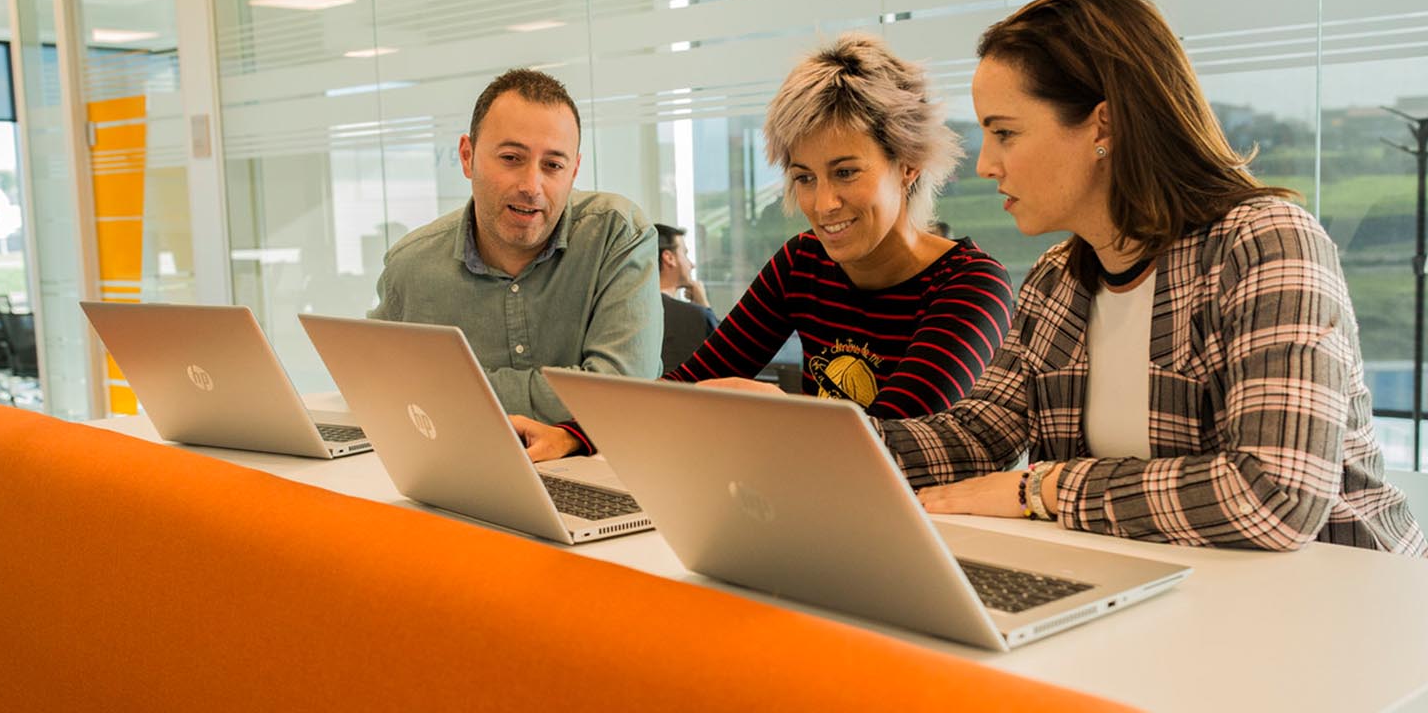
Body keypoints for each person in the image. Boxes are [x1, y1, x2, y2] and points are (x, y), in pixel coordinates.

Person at [890, 0, 1427, 554]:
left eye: (1005, 132)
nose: (984, 165)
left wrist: (1041, 489)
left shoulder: (1266, 242)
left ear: (1104, 126)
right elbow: (975, 435)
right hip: (1176, 590)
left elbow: (1277, 496)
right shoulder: (1056, 282)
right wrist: (830, 446)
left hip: (1343, 599)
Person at [515, 33, 1016, 461]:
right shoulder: (804, 263)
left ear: (907, 164)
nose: (823, 204)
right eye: (804, 177)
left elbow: (896, 439)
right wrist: (575, 436)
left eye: (845, 172)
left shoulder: (972, 285)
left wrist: (773, 412)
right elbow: (694, 379)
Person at [369, 68, 661, 460]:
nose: (531, 185)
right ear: (467, 157)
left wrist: (449, 391)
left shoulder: (617, 235)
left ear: (573, 171)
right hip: (459, 473)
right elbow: (376, 385)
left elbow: (621, 393)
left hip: (600, 475)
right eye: (511, 158)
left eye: (553, 165)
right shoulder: (411, 265)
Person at [654, 223, 719, 374]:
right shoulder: (696, 317)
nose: (692, 264)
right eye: (685, 253)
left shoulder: (629, 311)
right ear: (669, 258)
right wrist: (704, 306)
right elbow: (727, 353)